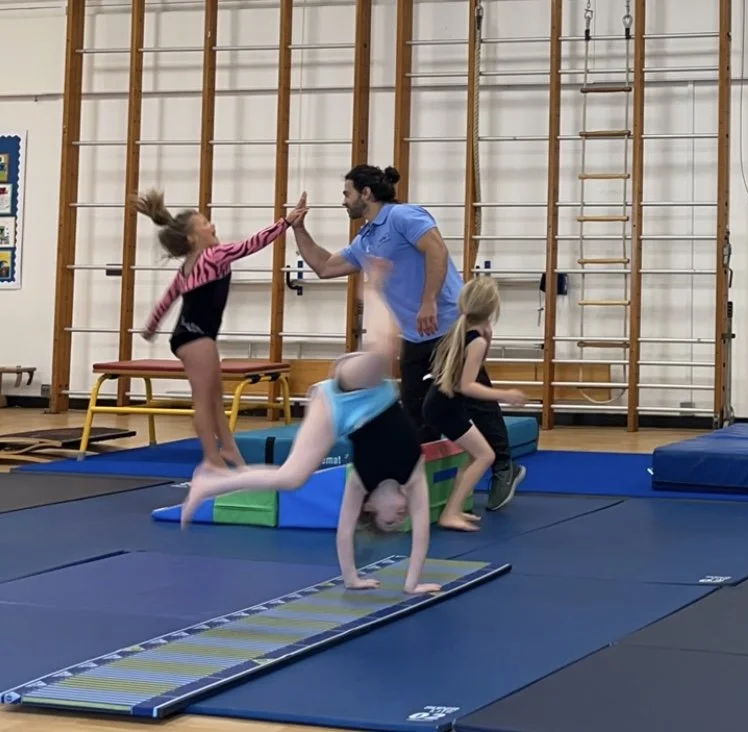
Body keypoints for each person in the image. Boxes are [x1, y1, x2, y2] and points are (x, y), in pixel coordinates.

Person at [179, 255, 441, 595]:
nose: (402, 515)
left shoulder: (360, 484)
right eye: (400, 520)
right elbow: (423, 533)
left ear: (371, 508)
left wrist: (352, 578)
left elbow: (345, 532)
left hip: (334, 405)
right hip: (366, 385)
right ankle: (373, 286)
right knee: (383, 353)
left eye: (391, 520)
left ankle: (210, 483)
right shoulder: (414, 475)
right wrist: (412, 583)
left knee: (290, 477)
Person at [289, 164, 523, 511]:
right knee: (415, 410)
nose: (344, 202)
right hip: (416, 335)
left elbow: (437, 250)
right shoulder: (365, 239)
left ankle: (503, 466)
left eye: (347, 194)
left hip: (448, 324)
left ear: (366, 194)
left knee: (472, 396)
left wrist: (428, 299)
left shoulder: (403, 216)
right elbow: (325, 267)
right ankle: (416, 477)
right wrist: (299, 229)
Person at [137, 189, 308, 471]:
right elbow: (251, 245)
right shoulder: (213, 256)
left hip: (189, 336)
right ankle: (212, 459)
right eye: (205, 223)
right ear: (193, 238)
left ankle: (229, 450)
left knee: (214, 397)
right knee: (204, 400)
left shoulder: (186, 268)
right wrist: (286, 223)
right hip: (196, 337)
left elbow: (167, 299)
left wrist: (150, 327)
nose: (212, 226)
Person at [422, 276, 527, 531]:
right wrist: (505, 395)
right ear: (493, 310)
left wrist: (487, 339)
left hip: (442, 403)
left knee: (474, 455)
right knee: (486, 455)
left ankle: (453, 508)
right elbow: (468, 386)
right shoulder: (475, 340)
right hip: (445, 407)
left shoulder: (464, 331)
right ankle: (450, 513)